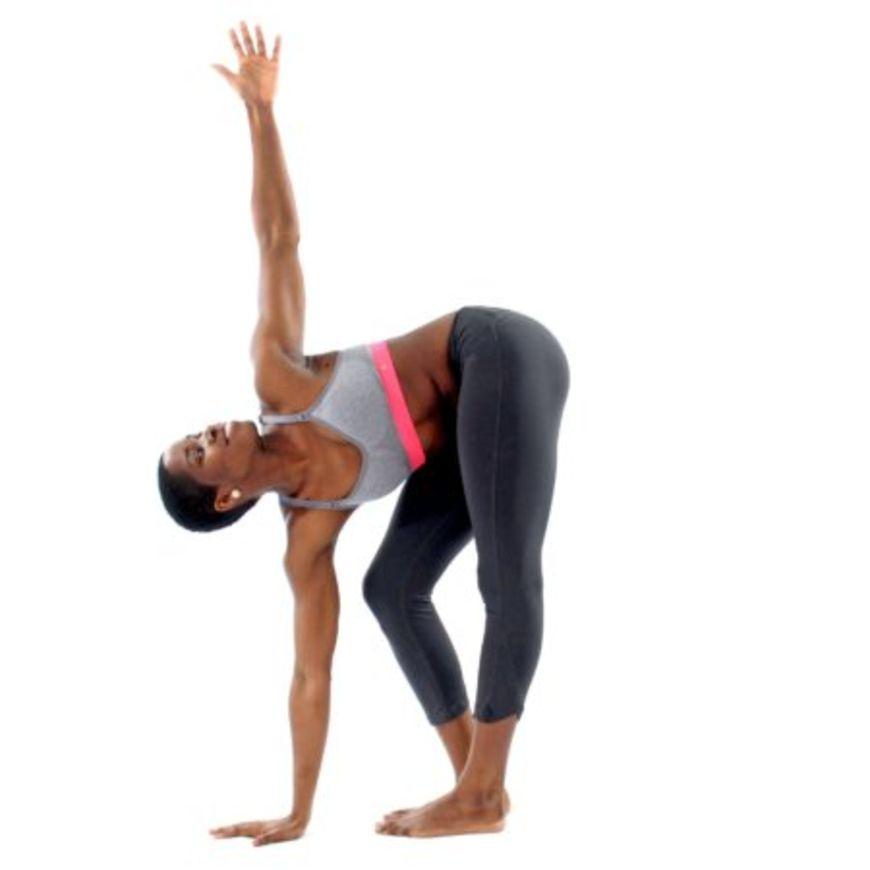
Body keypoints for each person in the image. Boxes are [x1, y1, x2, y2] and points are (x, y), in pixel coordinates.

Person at [157, 21, 570, 843]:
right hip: (463, 443)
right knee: (391, 588)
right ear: (227, 495)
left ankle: (480, 791)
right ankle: (475, 783)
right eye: (200, 451)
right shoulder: (307, 535)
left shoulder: (281, 379)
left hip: (498, 351)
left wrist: (260, 114)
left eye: (195, 432)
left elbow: (278, 240)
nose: (209, 430)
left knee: (504, 567)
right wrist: (298, 810)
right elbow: (310, 675)